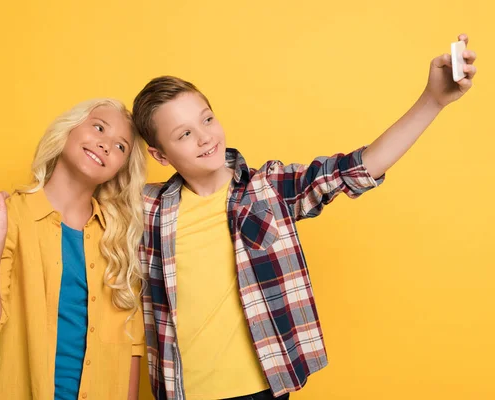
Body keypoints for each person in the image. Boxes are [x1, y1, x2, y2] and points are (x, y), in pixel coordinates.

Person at [132, 34, 477, 399]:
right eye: (184, 134)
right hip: (182, 391)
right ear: (160, 156)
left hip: (262, 389)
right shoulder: (148, 209)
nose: (205, 137)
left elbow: (356, 168)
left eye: (207, 119)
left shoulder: (267, 188)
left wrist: (432, 101)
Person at [0, 98, 148, 399]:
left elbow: (131, 348)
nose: (105, 145)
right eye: (98, 127)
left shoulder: (120, 241)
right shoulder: (8, 217)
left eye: (120, 147)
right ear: (67, 131)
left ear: (120, 170)